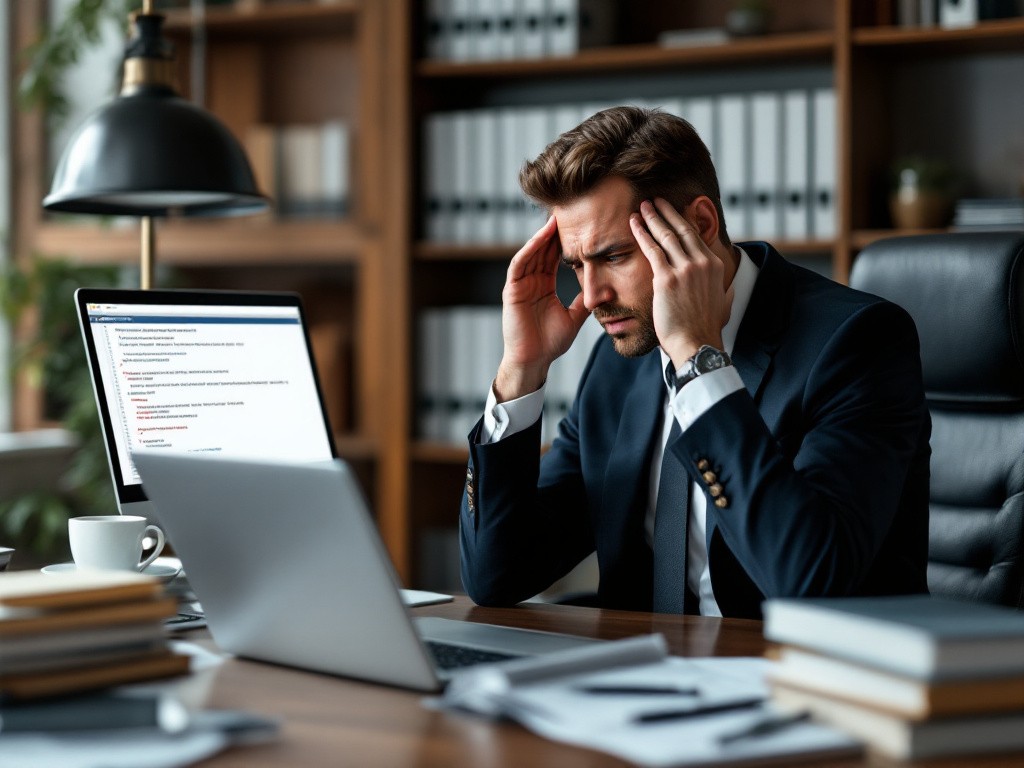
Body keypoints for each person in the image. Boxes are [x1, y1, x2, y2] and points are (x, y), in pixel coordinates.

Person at [459, 106, 930, 618]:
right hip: (639, 680)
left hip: (799, 681)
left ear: (700, 225)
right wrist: (519, 372)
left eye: (614, 257)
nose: (591, 296)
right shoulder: (618, 364)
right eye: (577, 266)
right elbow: (496, 575)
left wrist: (699, 362)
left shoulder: (857, 343)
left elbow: (810, 579)